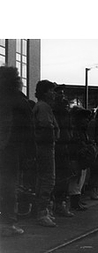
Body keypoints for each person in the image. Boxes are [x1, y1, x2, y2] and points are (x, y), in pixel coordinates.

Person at [0, 66, 35, 236]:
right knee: (9, 186)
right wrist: (30, 154)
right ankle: (7, 224)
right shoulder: (19, 100)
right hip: (10, 150)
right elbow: (28, 130)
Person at [33, 80, 60, 227]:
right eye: (51, 90)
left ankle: (42, 210)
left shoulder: (41, 106)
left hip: (43, 146)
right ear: (45, 92)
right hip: (46, 147)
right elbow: (46, 127)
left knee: (43, 178)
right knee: (48, 178)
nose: (54, 94)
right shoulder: (44, 108)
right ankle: (42, 211)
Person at [52, 89, 74, 217]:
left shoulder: (63, 112)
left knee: (62, 176)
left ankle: (58, 204)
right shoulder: (56, 111)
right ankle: (58, 204)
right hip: (59, 145)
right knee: (60, 176)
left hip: (63, 145)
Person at [68, 107, 95, 211]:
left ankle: (76, 201)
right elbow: (75, 143)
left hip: (81, 158)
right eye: (85, 118)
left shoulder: (83, 130)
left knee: (80, 180)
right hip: (76, 157)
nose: (87, 120)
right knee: (76, 180)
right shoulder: (76, 130)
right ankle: (74, 203)